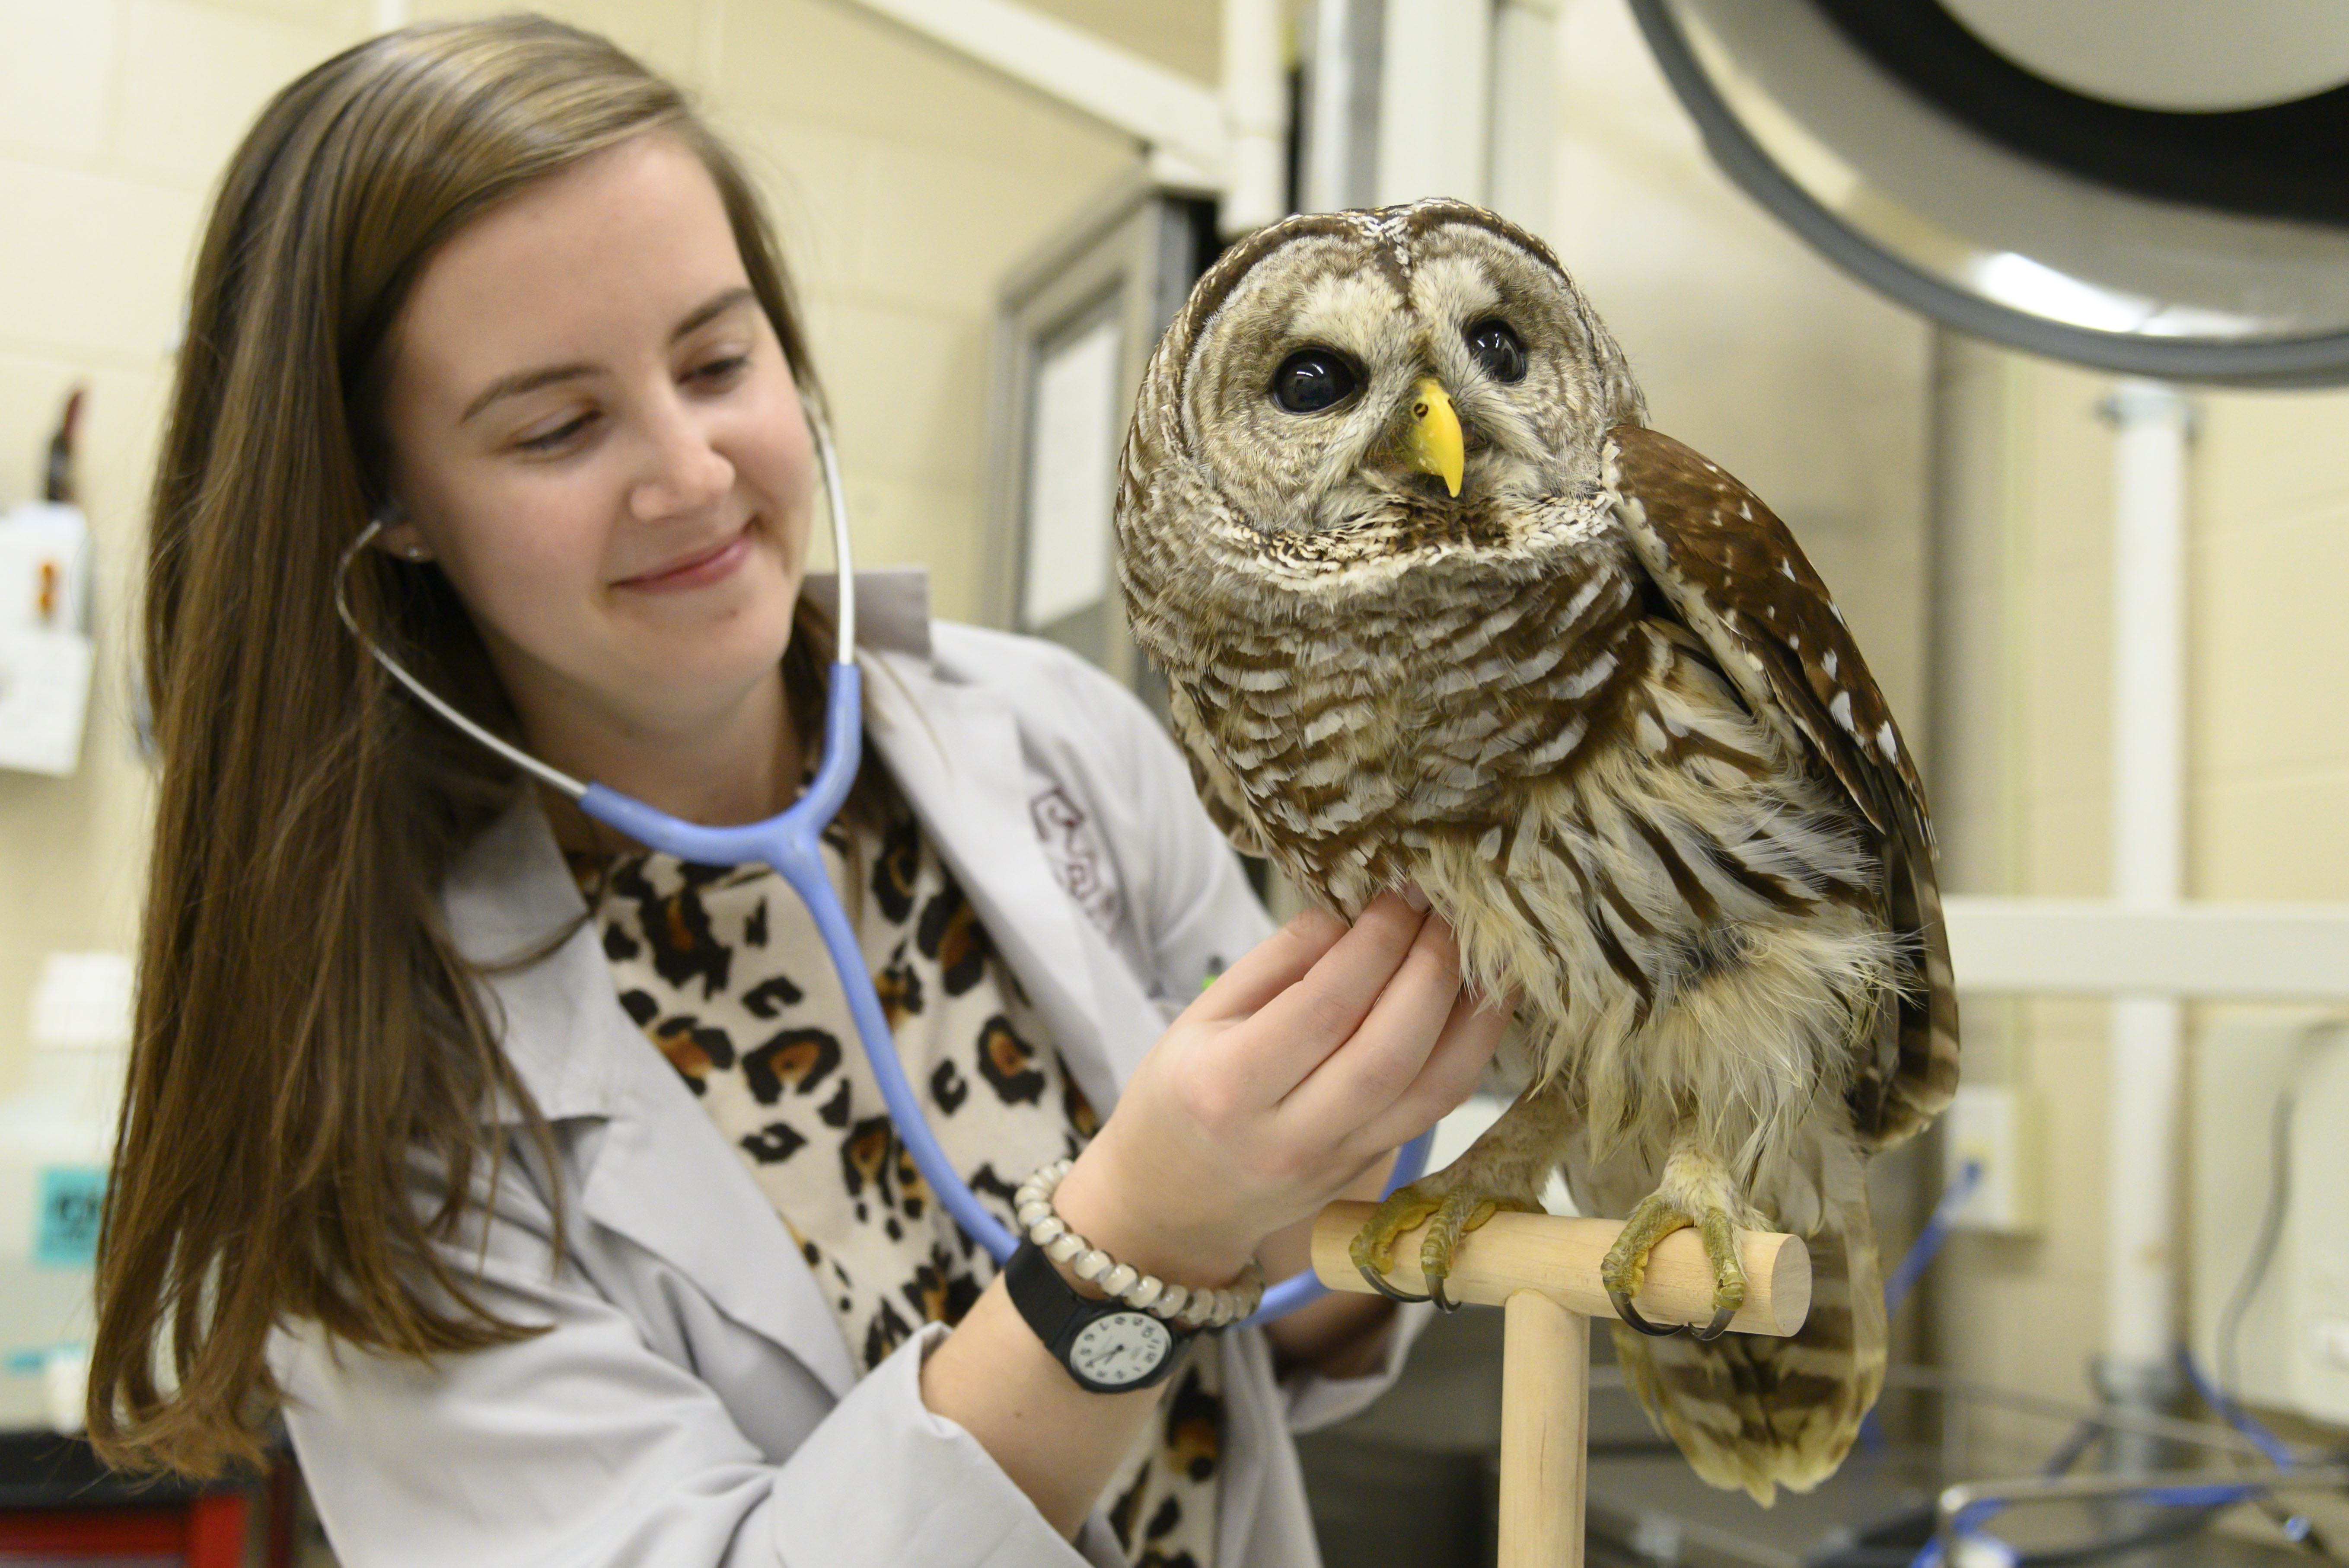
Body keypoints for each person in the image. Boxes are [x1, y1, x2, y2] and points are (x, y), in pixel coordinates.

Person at [87, 16, 1510, 1566]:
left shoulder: (1055, 738)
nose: (693, 472)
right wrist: (1136, 1243)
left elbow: (1273, 1347)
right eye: (559, 425)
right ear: (389, 508)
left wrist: (1359, 1169)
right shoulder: (366, 1100)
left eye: (716, 358)